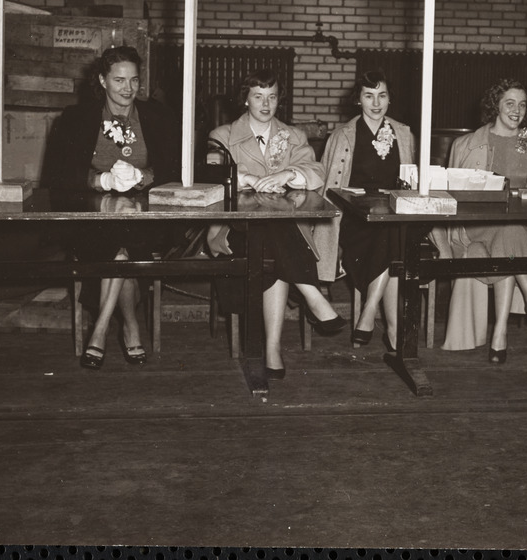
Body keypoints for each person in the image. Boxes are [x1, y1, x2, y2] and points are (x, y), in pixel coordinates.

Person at [43, 45, 180, 369]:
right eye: (119, 80)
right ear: (102, 80)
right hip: (92, 214)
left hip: (146, 216)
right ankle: (131, 326)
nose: (128, 89)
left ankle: (100, 330)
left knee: (123, 246)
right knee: (118, 249)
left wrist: (144, 176)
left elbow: (176, 170)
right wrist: (100, 182)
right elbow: (57, 174)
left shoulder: (158, 116)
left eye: (134, 80)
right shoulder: (76, 118)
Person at [208, 69, 346, 379]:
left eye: (272, 97)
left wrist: (287, 175)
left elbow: (316, 171)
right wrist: (251, 180)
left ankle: (271, 347)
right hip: (234, 229)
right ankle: (311, 297)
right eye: (258, 97)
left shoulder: (293, 136)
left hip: (283, 231)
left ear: (278, 99)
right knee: (272, 233)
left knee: (273, 235)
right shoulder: (223, 135)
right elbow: (210, 172)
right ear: (246, 100)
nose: (265, 104)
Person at [432, 79, 527, 363]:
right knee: (508, 232)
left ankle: (499, 332)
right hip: (475, 225)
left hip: (519, 226)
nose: (517, 110)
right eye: (510, 103)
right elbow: (452, 194)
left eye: (522, 105)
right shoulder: (466, 144)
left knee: (509, 231)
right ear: (495, 106)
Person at [320, 71, 416, 351]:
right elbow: (330, 187)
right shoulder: (342, 135)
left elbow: (412, 180)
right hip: (355, 217)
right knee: (387, 239)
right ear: (358, 100)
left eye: (382, 95)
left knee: (390, 234)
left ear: (390, 99)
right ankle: (393, 329)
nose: (376, 103)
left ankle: (369, 310)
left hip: (394, 212)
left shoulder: (404, 133)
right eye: (368, 95)